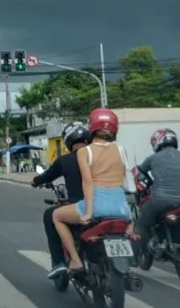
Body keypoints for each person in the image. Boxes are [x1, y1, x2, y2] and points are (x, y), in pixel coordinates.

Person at [52, 107, 133, 273]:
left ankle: (75, 260)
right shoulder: (120, 150)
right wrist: (131, 217)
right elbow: (129, 183)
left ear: (92, 127)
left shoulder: (85, 151)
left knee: (56, 216)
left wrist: (88, 212)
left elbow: (88, 183)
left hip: (97, 205)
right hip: (121, 208)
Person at [32, 122, 92, 278]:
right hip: (107, 206)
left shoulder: (65, 160)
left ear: (68, 141)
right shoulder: (98, 156)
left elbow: (46, 176)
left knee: (50, 215)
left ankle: (59, 262)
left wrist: (35, 181)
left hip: (80, 207)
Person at [133, 129, 180, 246]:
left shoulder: (153, 158)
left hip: (161, 201)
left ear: (157, 142)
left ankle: (135, 254)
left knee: (141, 225)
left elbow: (139, 173)